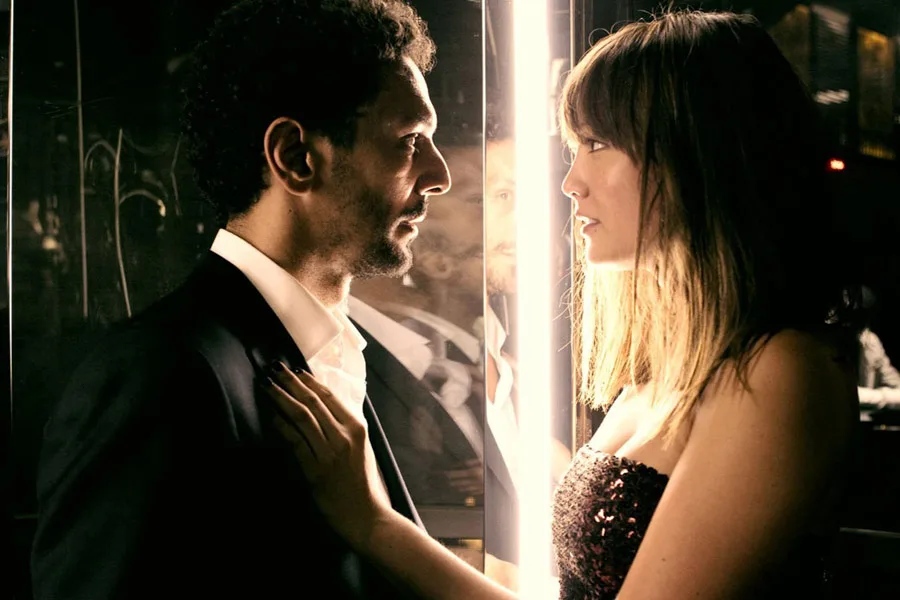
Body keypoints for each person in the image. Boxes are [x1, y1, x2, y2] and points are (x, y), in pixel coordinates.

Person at [260, 9, 862, 600]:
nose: (571, 182)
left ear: (697, 155)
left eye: (597, 143)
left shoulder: (780, 372)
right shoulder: (670, 370)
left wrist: (375, 524)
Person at [30, 1, 450, 598]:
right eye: (410, 140)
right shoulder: (158, 376)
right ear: (296, 157)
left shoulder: (338, 356)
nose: (440, 174)